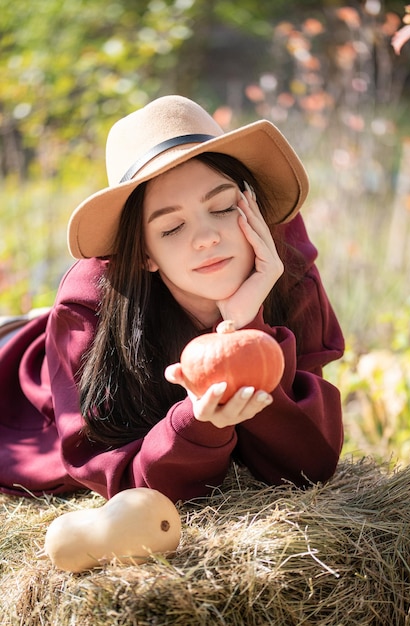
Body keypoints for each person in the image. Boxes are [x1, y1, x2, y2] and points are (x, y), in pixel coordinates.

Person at [0, 95, 344, 503]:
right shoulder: (87, 308)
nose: (207, 237)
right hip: (27, 377)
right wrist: (195, 423)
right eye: (172, 228)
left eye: (222, 206)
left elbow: (310, 464)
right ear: (144, 253)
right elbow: (126, 486)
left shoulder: (286, 264)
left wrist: (244, 326)